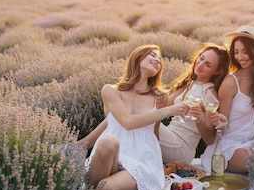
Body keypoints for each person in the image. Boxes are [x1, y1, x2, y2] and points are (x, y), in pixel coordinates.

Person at [84, 45, 188, 190]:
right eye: (152, 55)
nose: (158, 59)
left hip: (141, 161)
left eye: (160, 59)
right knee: (108, 142)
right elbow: (126, 122)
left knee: (105, 187)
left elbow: (153, 135)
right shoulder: (111, 91)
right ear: (137, 58)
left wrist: (162, 167)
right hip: (112, 157)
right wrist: (168, 111)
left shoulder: (160, 98)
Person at [80, 43, 230, 165]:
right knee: (124, 112)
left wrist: (200, 120)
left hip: (181, 148)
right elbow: (163, 109)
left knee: (130, 114)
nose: (201, 64)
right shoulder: (190, 83)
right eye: (201, 58)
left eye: (208, 64)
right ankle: (86, 147)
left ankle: (82, 146)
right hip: (169, 135)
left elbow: (210, 139)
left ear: (216, 72)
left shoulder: (209, 94)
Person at [201, 25, 254, 174]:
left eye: (245, 51)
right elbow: (222, 128)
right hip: (230, 146)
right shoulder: (231, 82)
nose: (239, 57)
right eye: (236, 52)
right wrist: (215, 119)